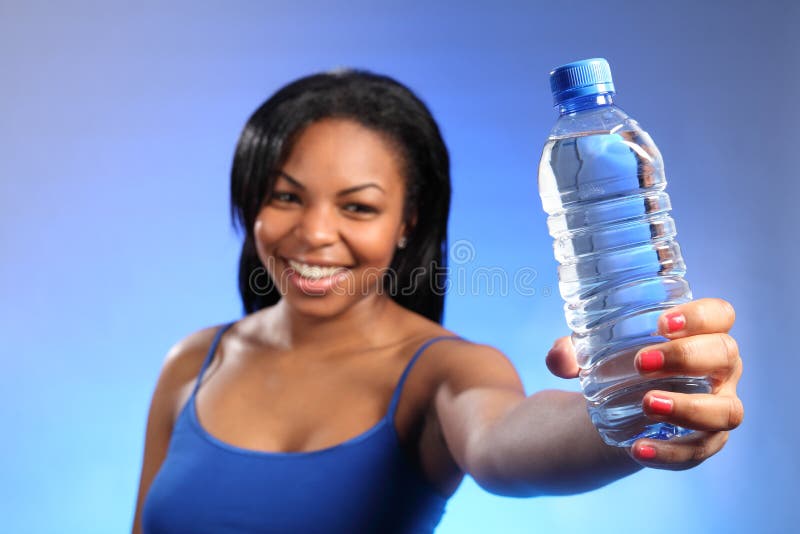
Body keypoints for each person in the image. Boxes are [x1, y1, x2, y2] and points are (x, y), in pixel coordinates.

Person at [131, 70, 743, 533]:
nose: (315, 233)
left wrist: (630, 406)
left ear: (407, 222)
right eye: (286, 197)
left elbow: (504, 440)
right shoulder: (192, 362)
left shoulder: (443, 372)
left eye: (357, 206)